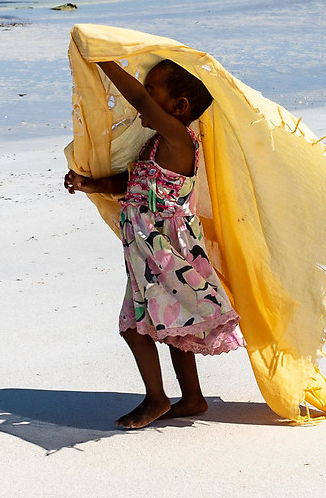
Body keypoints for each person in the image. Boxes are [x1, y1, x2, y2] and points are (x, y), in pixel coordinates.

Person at [62, 57, 243, 429]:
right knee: (174, 326)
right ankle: (192, 398)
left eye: (150, 93)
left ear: (178, 108)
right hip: (147, 251)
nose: (141, 101)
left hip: (167, 251)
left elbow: (142, 106)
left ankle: (157, 398)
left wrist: (104, 60)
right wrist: (91, 184)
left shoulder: (179, 139)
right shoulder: (154, 145)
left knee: (135, 327)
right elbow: (132, 184)